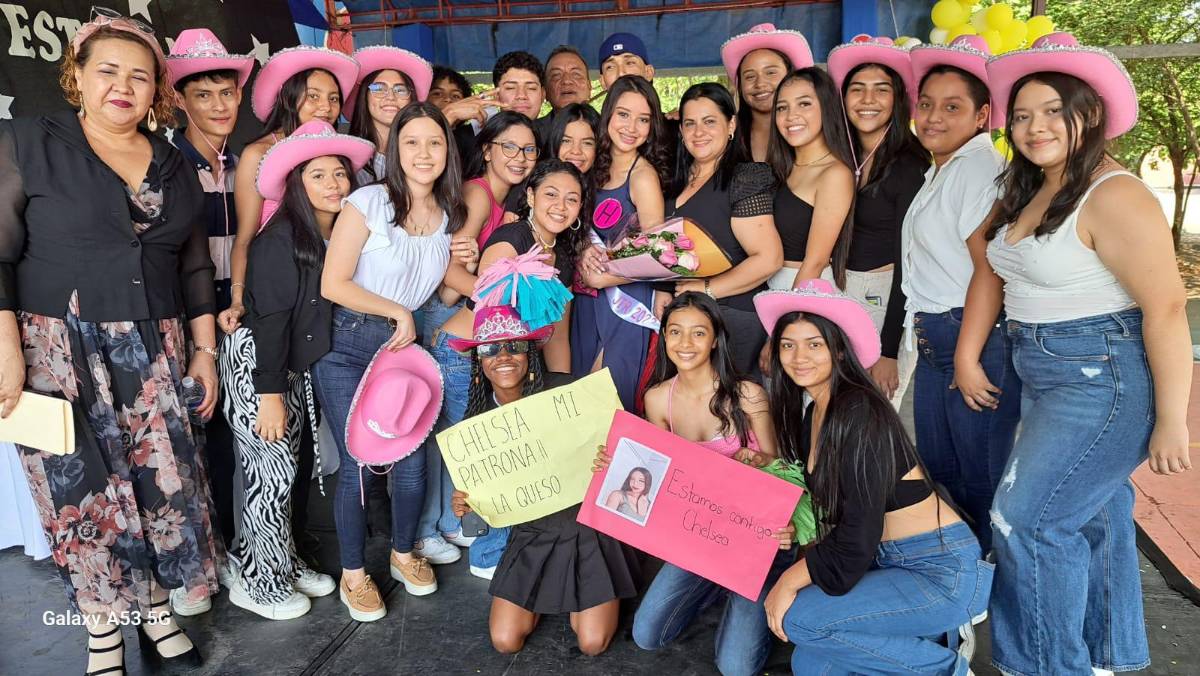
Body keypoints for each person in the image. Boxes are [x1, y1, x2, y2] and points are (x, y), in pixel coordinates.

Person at [0, 10, 222, 674]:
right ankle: (102, 631)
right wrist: (6, 350)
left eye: (139, 76)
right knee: (83, 498)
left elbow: (194, 265)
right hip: (56, 352)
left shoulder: (174, 163)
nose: (123, 86)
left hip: (156, 350)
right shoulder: (25, 142)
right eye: (108, 72)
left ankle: (154, 611)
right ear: (77, 74)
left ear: (157, 90)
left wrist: (205, 350)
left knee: (164, 489)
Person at [970, 33, 1192, 675]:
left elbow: (1168, 308)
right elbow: (989, 260)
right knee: (1091, 513)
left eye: (1051, 110)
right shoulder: (1030, 184)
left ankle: (1044, 666)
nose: (1034, 126)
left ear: (1089, 115)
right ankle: (1104, 656)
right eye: (1021, 113)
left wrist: (1173, 419)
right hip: (1042, 369)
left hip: (1102, 375)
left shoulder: (1114, 193)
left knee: (1026, 521)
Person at [755, 281, 992, 675]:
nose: (799, 357)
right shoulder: (812, 413)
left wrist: (788, 583)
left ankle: (944, 667)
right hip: (884, 562)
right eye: (788, 345)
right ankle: (913, 642)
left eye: (814, 344)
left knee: (801, 619)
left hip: (938, 571)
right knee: (812, 664)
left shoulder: (860, 412)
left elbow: (859, 531)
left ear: (839, 349)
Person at [313, 103, 466, 621]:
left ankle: (403, 554)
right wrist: (396, 309)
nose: (424, 154)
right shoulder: (368, 202)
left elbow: (445, 286)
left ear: (449, 151)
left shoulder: (450, 217)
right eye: (412, 143)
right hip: (351, 345)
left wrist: (512, 284)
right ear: (395, 151)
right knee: (361, 462)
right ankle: (353, 575)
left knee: (411, 463)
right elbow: (332, 284)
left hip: (404, 349)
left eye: (435, 142)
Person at [219, 121, 372, 620]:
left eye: (339, 174)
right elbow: (272, 321)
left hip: (291, 368)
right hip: (260, 365)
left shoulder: (331, 235)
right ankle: (259, 581)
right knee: (270, 476)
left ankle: (282, 559)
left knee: (294, 469)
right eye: (318, 176)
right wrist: (269, 395)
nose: (333, 184)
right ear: (295, 186)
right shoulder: (280, 237)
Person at [450, 305, 638, 656]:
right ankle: (557, 596)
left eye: (515, 346)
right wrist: (464, 503)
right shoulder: (477, 422)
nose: (503, 357)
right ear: (478, 358)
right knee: (504, 641)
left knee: (592, 642)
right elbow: (484, 506)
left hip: (588, 531)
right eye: (490, 349)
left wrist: (610, 459)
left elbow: (629, 453)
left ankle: (587, 598)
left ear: (531, 351)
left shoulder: (568, 392)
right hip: (531, 536)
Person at [432, 159, 589, 577]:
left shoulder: (565, 256)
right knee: (488, 455)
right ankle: (487, 553)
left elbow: (557, 330)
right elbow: (493, 301)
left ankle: (479, 539)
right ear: (532, 196)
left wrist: (562, 389)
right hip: (466, 356)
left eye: (572, 198)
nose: (561, 205)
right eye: (552, 194)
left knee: (505, 453)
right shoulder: (512, 237)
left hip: (504, 363)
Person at [626, 292, 791, 676]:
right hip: (698, 537)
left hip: (753, 540)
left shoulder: (747, 394)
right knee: (647, 635)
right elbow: (657, 474)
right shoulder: (657, 400)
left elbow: (780, 469)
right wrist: (614, 464)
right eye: (675, 332)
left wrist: (758, 461)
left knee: (736, 668)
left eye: (698, 333)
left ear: (715, 338)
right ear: (663, 337)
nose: (685, 344)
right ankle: (713, 584)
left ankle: (745, 592)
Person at [904, 35, 1019, 551]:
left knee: (979, 477)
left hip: (967, 339)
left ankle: (988, 585)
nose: (933, 117)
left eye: (952, 107)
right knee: (943, 473)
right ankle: (959, 583)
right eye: (926, 104)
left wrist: (968, 358)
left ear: (982, 116)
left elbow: (989, 270)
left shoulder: (977, 168)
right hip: (939, 340)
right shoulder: (943, 167)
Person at [409, 110, 537, 567]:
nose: (519, 158)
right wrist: (500, 299)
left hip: (467, 324)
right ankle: (426, 531)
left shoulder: (506, 204)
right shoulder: (479, 194)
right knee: (444, 437)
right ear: (486, 150)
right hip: (451, 322)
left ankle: (445, 522)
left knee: (458, 435)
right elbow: (447, 268)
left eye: (528, 150)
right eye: (509, 147)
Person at [163, 27, 255, 615]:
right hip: (186, 316)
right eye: (205, 95)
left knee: (228, 436)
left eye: (228, 93)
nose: (220, 106)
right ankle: (194, 561)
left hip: (237, 310)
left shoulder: (243, 163)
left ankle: (238, 550)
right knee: (188, 434)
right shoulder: (169, 164)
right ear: (179, 100)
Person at [222, 45, 358, 334]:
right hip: (279, 292)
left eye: (333, 98)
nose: (326, 106)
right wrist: (237, 300)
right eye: (313, 96)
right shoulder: (258, 154)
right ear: (288, 97)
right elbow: (245, 239)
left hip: (330, 292)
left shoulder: (339, 152)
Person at [827, 37, 929, 406]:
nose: (868, 100)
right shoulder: (838, 154)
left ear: (898, 100)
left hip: (884, 296)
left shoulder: (909, 164)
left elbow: (909, 262)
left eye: (881, 90)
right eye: (858, 89)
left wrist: (889, 351)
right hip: (838, 288)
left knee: (874, 414)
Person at [663, 83, 782, 375]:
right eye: (689, 123)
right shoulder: (673, 181)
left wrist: (706, 289)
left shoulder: (744, 178)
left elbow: (768, 258)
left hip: (732, 318)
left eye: (709, 121)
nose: (698, 132)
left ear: (730, 125)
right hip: (686, 323)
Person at [571, 75, 672, 410]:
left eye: (643, 119)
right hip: (587, 300)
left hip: (626, 299)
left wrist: (604, 277)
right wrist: (585, 250)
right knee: (581, 396)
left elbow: (657, 252)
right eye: (623, 115)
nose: (632, 127)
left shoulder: (643, 176)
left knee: (612, 401)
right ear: (608, 115)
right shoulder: (591, 166)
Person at [766, 67, 856, 291]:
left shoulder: (835, 174)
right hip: (767, 285)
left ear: (826, 107)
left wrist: (792, 310)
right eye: (782, 108)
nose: (790, 116)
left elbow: (815, 261)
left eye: (804, 104)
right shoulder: (779, 168)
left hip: (804, 288)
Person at [720, 23, 813, 162]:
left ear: (791, 76)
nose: (760, 84)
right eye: (750, 76)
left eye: (770, 72)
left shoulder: (813, 128)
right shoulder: (726, 132)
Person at [345, 46, 434, 184]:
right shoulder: (345, 156)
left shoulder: (423, 155)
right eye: (379, 88)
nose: (391, 97)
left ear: (412, 99)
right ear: (365, 96)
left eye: (400, 89)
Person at [543, 103, 600, 174]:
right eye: (566, 141)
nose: (576, 151)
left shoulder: (608, 183)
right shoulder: (538, 183)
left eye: (587, 143)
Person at [544, 45, 592, 112]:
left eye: (576, 74)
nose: (566, 81)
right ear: (545, 91)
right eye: (556, 75)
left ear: (589, 86)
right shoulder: (530, 123)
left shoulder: (607, 122)